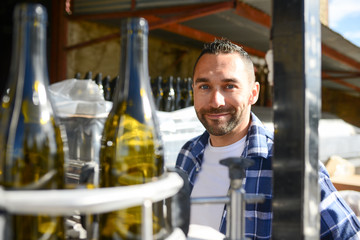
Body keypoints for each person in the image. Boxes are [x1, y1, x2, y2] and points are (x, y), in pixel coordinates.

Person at [175, 38, 360, 239]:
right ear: (193, 90)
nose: (216, 101)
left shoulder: (291, 166)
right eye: (204, 87)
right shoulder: (188, 154)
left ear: (253, 93)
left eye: (229, 86)